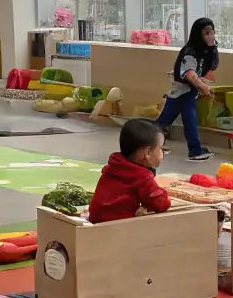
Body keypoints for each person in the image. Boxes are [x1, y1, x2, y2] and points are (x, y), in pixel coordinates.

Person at [157, 18, 218, 162]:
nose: (211, 36)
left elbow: (202, 70)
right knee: (188, 119)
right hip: (182, 91)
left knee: (166, 121)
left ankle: (148, 142)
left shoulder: (207, 50)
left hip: (188, 91)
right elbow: (189, 73)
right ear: (199, 35)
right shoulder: (190, 52)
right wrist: (203, 87)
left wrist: (203, 83)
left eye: (212, 32)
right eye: (206, 33)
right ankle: (195, 150)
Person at [87, 118, 172, 223]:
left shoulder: (115, 165)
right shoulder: (142, 176)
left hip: (95, 220)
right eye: (161, 149)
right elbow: (160, 203)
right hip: (117, 226)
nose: (163, 153)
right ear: (148, 152)